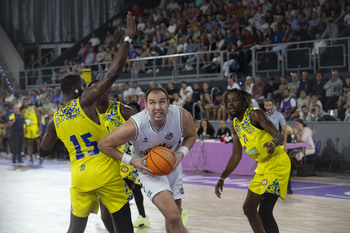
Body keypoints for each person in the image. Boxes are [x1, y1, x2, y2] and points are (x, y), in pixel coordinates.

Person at [39, 11, 136, 233]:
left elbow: (44, 152)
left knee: (74, 229)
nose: (87, 87)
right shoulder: (84, 101)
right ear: (77, 90)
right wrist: (127, 38)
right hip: (105, 173)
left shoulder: (55, 119)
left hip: (79, 176)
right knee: (123, 227)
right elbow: (112, 74)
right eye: (84, 84)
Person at [98, 87, 197, 233]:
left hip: (172, 163)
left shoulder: (181, 115)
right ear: (146, 105)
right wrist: (132, 161)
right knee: (174, 215)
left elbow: (192, 135)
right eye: (152, 103)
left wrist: (180, 154)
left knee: (174, 218)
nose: (157, 107)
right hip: (147, 168)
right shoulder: (136, 124)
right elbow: (103, 144)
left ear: (169, 103)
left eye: (162, 102)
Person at [215, 88, 290, 233]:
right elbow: (236, 155)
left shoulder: (255, 114)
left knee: (265, 211)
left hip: (277, 162)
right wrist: (222, 177)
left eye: (235, 100)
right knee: (249, 208)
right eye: (228, 101)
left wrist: (273, 144)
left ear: (244, 102)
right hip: (263, 165)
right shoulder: (235, 125)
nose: (230, 104)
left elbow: (278, 135)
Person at [87, 80, 150, 230]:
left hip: (125, 164)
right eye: (96, 90)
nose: (101, 93)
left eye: (103, 89)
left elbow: (144, 127)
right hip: (103, 167)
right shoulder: (87, 115)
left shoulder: (122, 109)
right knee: (105, 216)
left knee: (116, 211)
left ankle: (141, 216)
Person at [22, 98, 43, 164]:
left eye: (26, 102)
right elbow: (23, 120)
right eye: (24, 102)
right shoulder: (23, 111)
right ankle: (31, 157)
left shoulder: (33, 108)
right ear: (23, 103)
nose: (25, 103)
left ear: (28, 102)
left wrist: (40, 127)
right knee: (29, 143)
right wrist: (25, 122)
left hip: (34, 126)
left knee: (37, 142)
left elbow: (38, 117)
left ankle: (41, 157)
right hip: (28, 128)